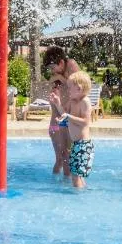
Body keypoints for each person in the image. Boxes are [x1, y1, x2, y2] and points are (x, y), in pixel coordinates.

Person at [51, 70, 93, 188]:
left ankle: (78, 200)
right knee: (76, 175)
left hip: (84, 145)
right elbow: (64, 113)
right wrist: (58, 103)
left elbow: (85, 122)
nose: (68, 90)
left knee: (75, 176)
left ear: (79, 89)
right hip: (76, 144)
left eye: (70, 87)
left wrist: (68, 116)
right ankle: (82, 193)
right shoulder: (72, 102)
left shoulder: (85, 102)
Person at [43, 46, 81, 177]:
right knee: (60, 159)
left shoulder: (71, 65)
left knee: (67, 157)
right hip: (56, 122)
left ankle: (67, 188)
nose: (52, 72)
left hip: (69, 120)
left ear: (61, 62)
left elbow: (80, 88)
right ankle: (59, 188)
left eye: (53, 68)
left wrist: (61, 78)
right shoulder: (56, 76)